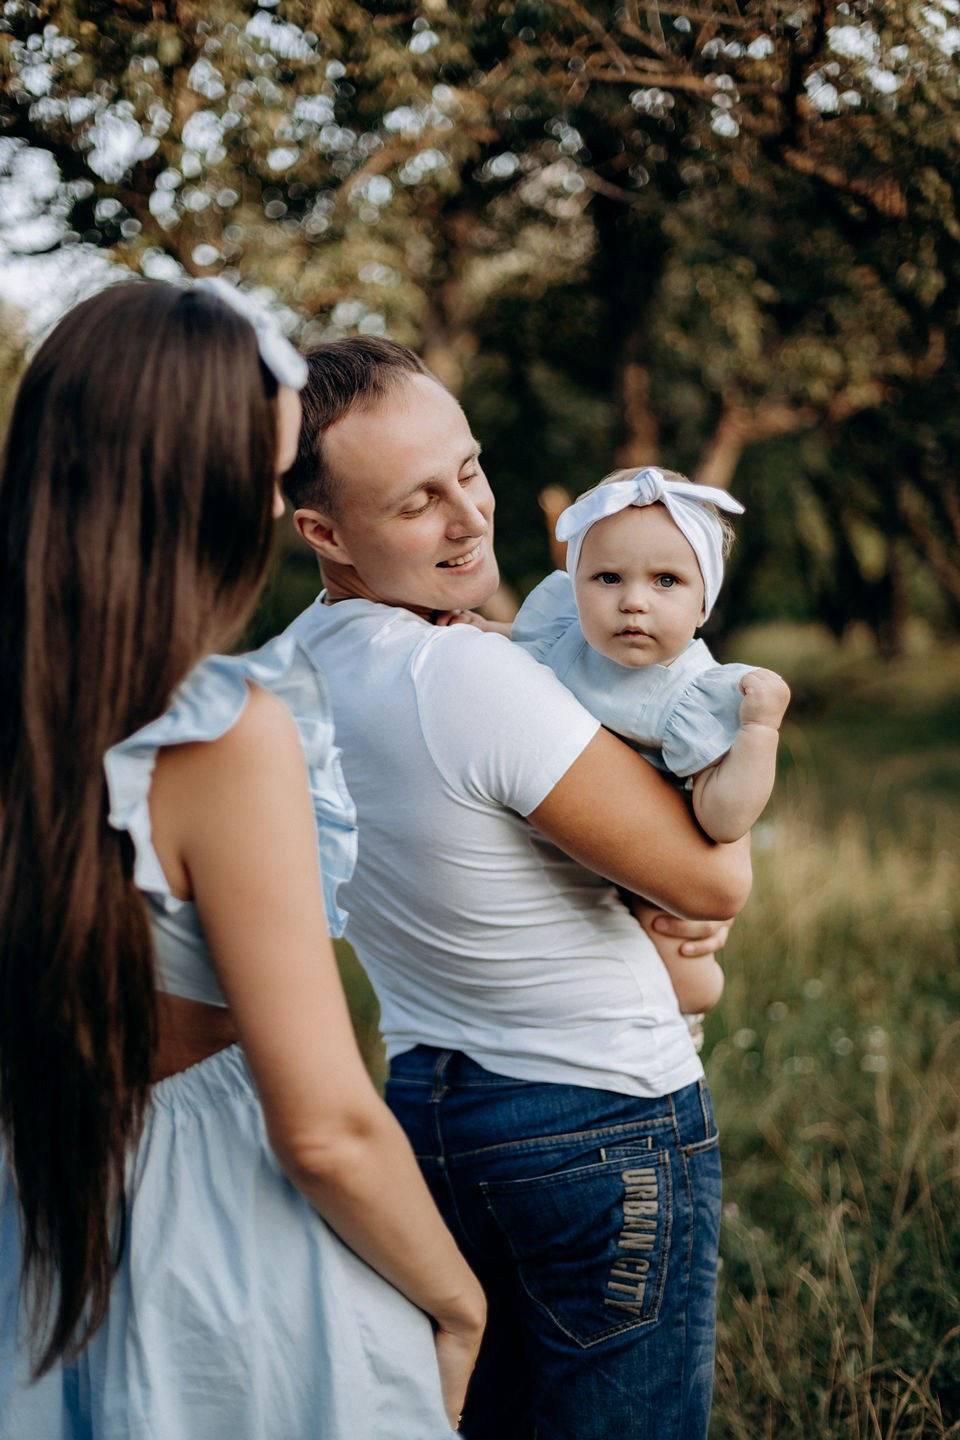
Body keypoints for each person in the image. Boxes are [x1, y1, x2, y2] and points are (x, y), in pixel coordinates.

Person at [0, 284, 484, 1439]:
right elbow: (324, 1127)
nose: (275, 512)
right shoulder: (218, 733)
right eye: (266, 480)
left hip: (37, 1220)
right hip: (214, 1240)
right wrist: (459, 1303)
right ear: (195, 493)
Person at [280, 336, 753, 1440]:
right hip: (601, 1121)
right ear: (322, 532)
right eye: (418, 502)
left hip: (429, 1120)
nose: (469, 519)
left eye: (471, 470)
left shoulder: (289, 670)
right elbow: (714, 877)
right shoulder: (464, 672)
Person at [457, 465, 791, 1027]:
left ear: (703, 603)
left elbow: (724, 818)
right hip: (567, 839)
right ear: (576, 583)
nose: (634, 601)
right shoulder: (566, 635)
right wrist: (470, 630)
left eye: (666, 581)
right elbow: (520, 648)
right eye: (608, 578)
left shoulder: (691, 695)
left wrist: (759, 732)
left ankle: (677, 1031)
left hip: (648, 851)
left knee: (692, 979)